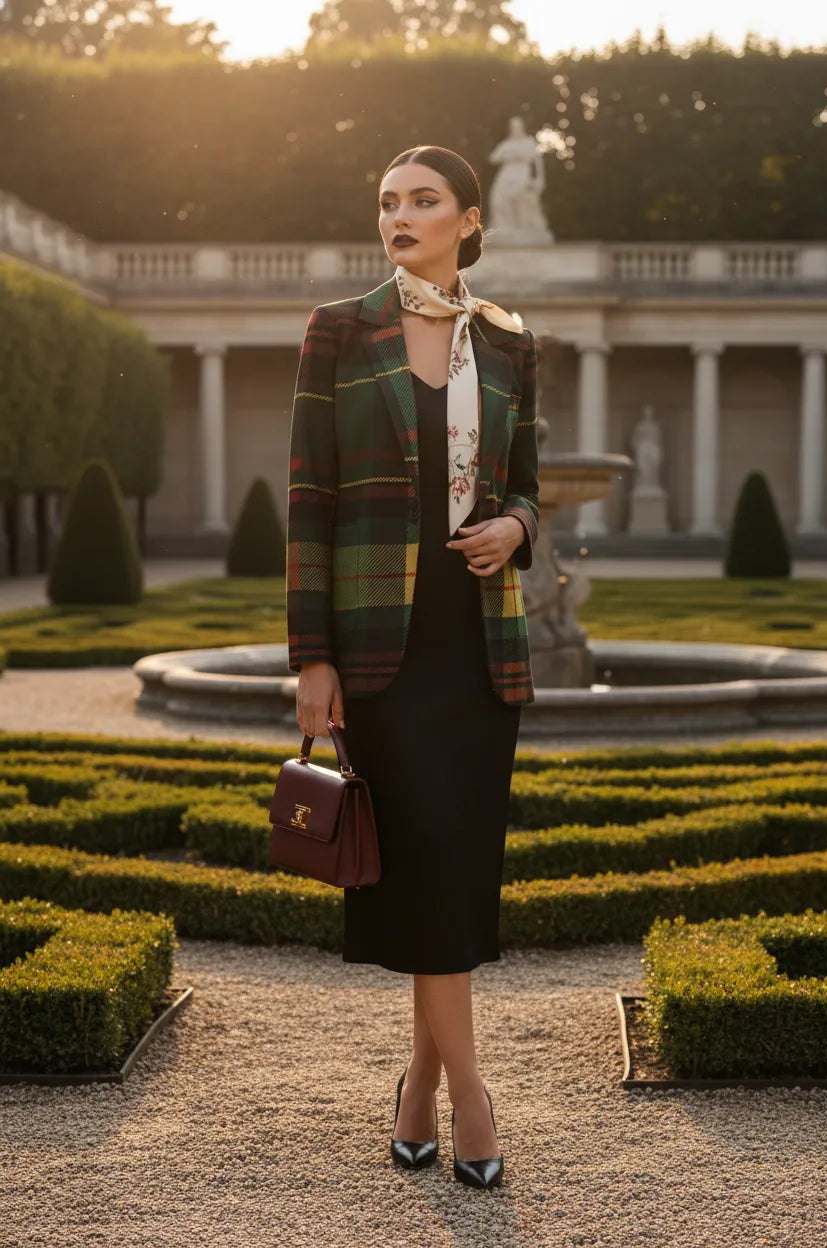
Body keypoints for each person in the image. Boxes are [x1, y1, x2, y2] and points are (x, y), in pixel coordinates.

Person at [285, 145, 539, 1190]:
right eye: (389, 202)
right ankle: (470, 1097)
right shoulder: (340, 332)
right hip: (380, 646)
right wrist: (311, 659)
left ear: (467, 221)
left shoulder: (513, 343)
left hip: (478, 645)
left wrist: (516, 527)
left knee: (453, 870)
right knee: (427, 863)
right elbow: (311, 502)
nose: (400, 215)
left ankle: (419, 1088)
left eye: (423, 201)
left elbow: (525, 481)